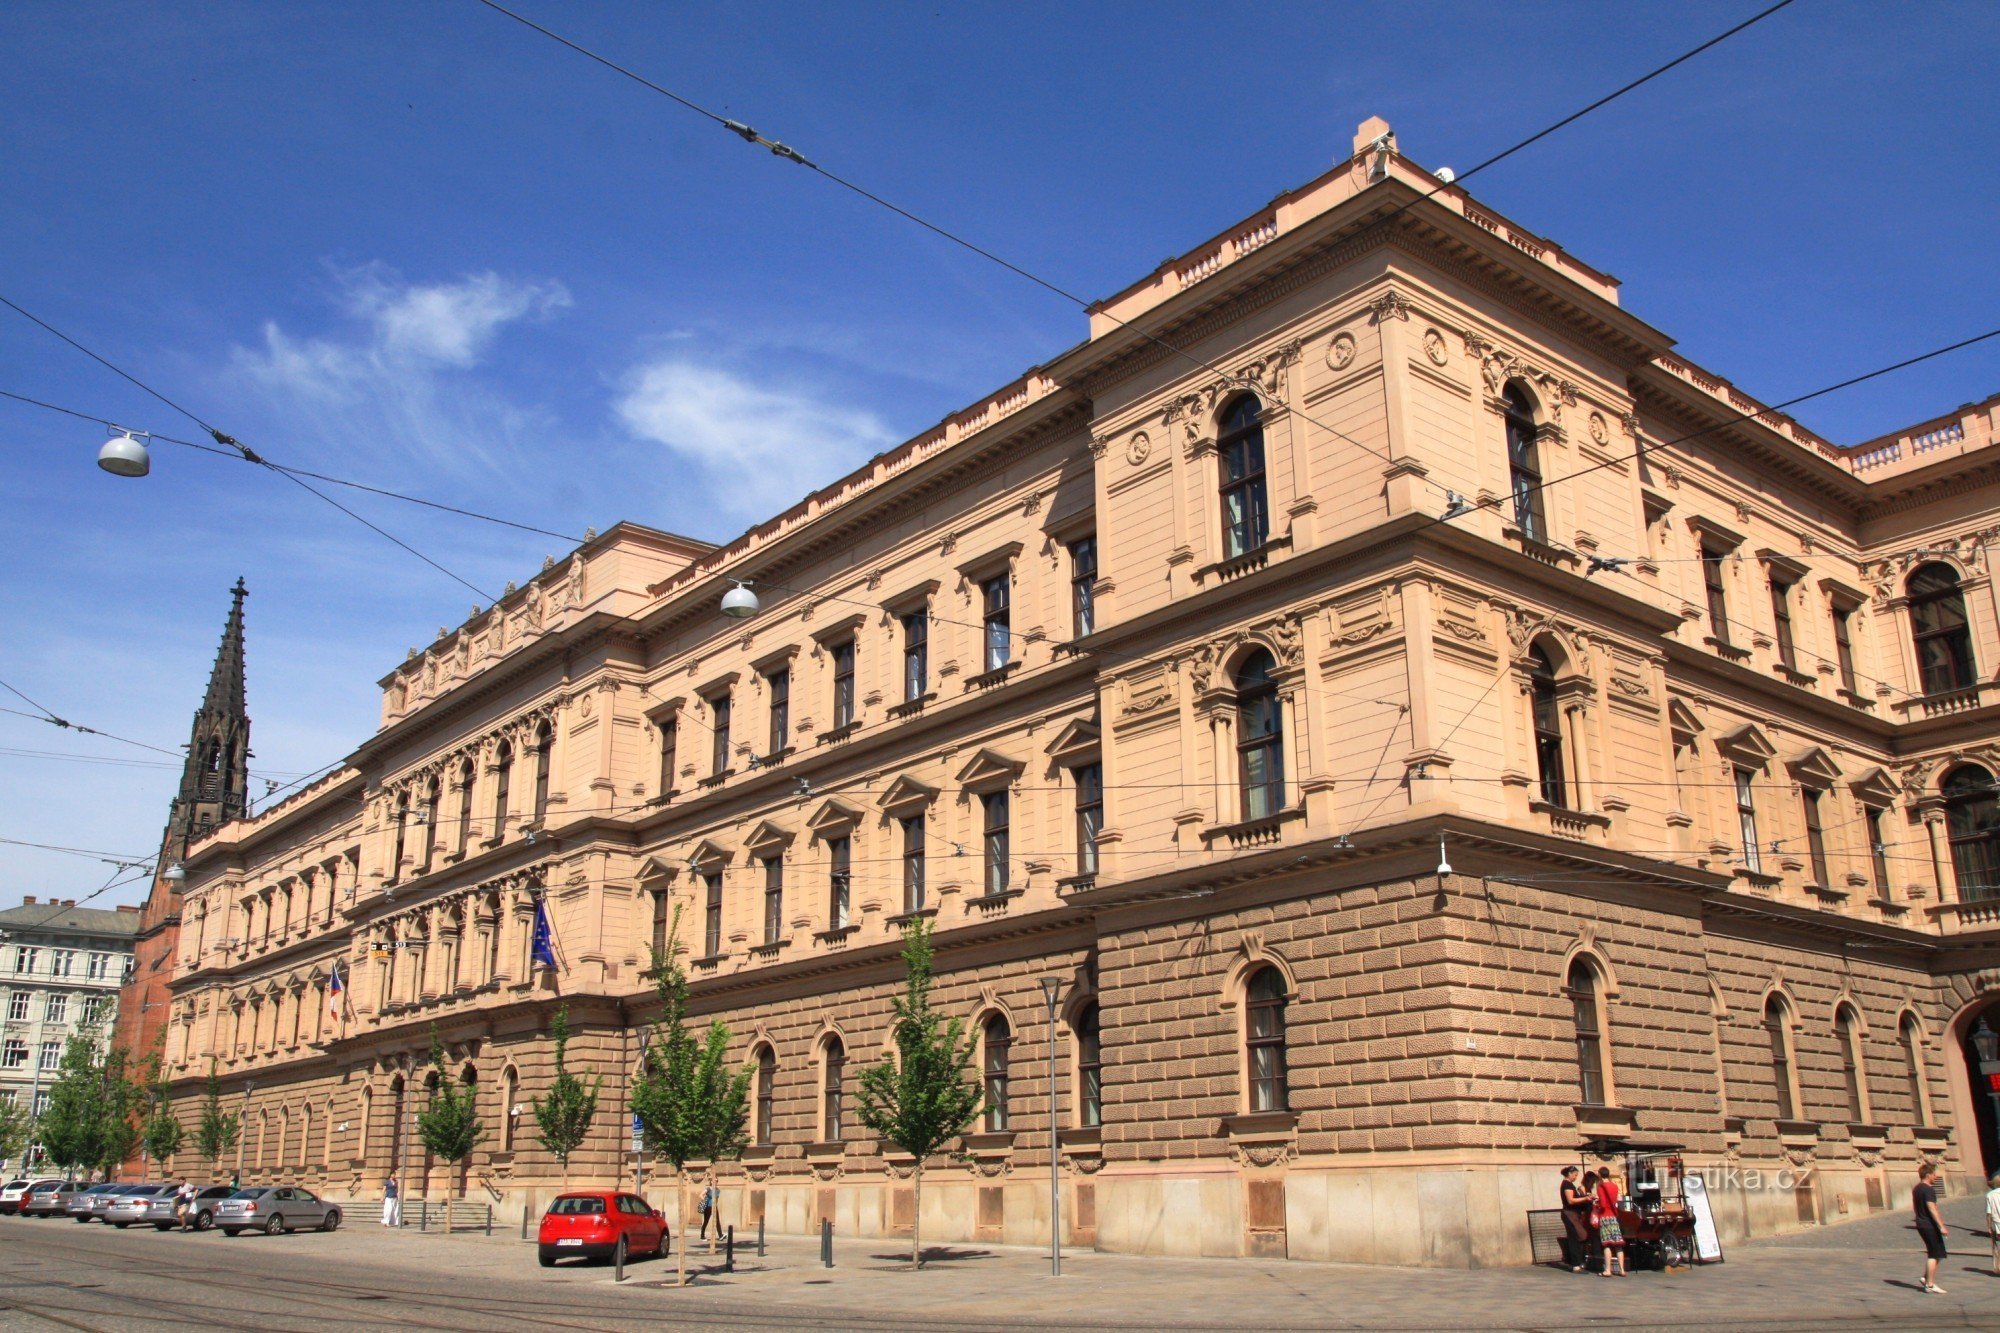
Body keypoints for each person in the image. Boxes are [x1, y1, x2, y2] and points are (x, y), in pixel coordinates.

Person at [1914, 1162, 1947, 1293]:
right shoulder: (1928, 1189)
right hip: (1929, 1224)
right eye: (1934, 1175)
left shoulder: (1917, 1188)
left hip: (1921, 1223)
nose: (1936, 1177)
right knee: (1934, 1253)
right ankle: (1930, 1284)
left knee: (1936, 1252)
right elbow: (1932, 1208)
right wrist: (1942, 1226)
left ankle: (1926, 1278)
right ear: (1928, 1175)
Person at [1593, 1170, 1628, 1277]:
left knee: (1607, 1244)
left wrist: (1596, 1203)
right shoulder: (1614, 1186)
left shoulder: (1600, 1187)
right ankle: (1622, 1269)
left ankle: (1608, 1270)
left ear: (1600, 1175)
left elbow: (1603, 1204)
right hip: (1614, 1216)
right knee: (1618, 1244)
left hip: (1605, 1216)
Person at [1558, 1167, 1593, 1272]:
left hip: (1574, 1215)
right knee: (1574, 1238)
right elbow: (1570, 1200)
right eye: (1575, 1175)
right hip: (1569, 1214)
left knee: (1581, 1236)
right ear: (1569, 1173)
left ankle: (1576, 1261)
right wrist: (1585, 1198)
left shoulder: (1569, 1184)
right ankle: (1575, 1264)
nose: (1576, 1177)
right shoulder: (1567, 1184)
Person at [1985, 1172, 2000, 1277]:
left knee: (1997, 1247)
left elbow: (1988, 1213)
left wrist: (1989, 1226)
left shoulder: (1990, 1195)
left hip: (1997, 1224)